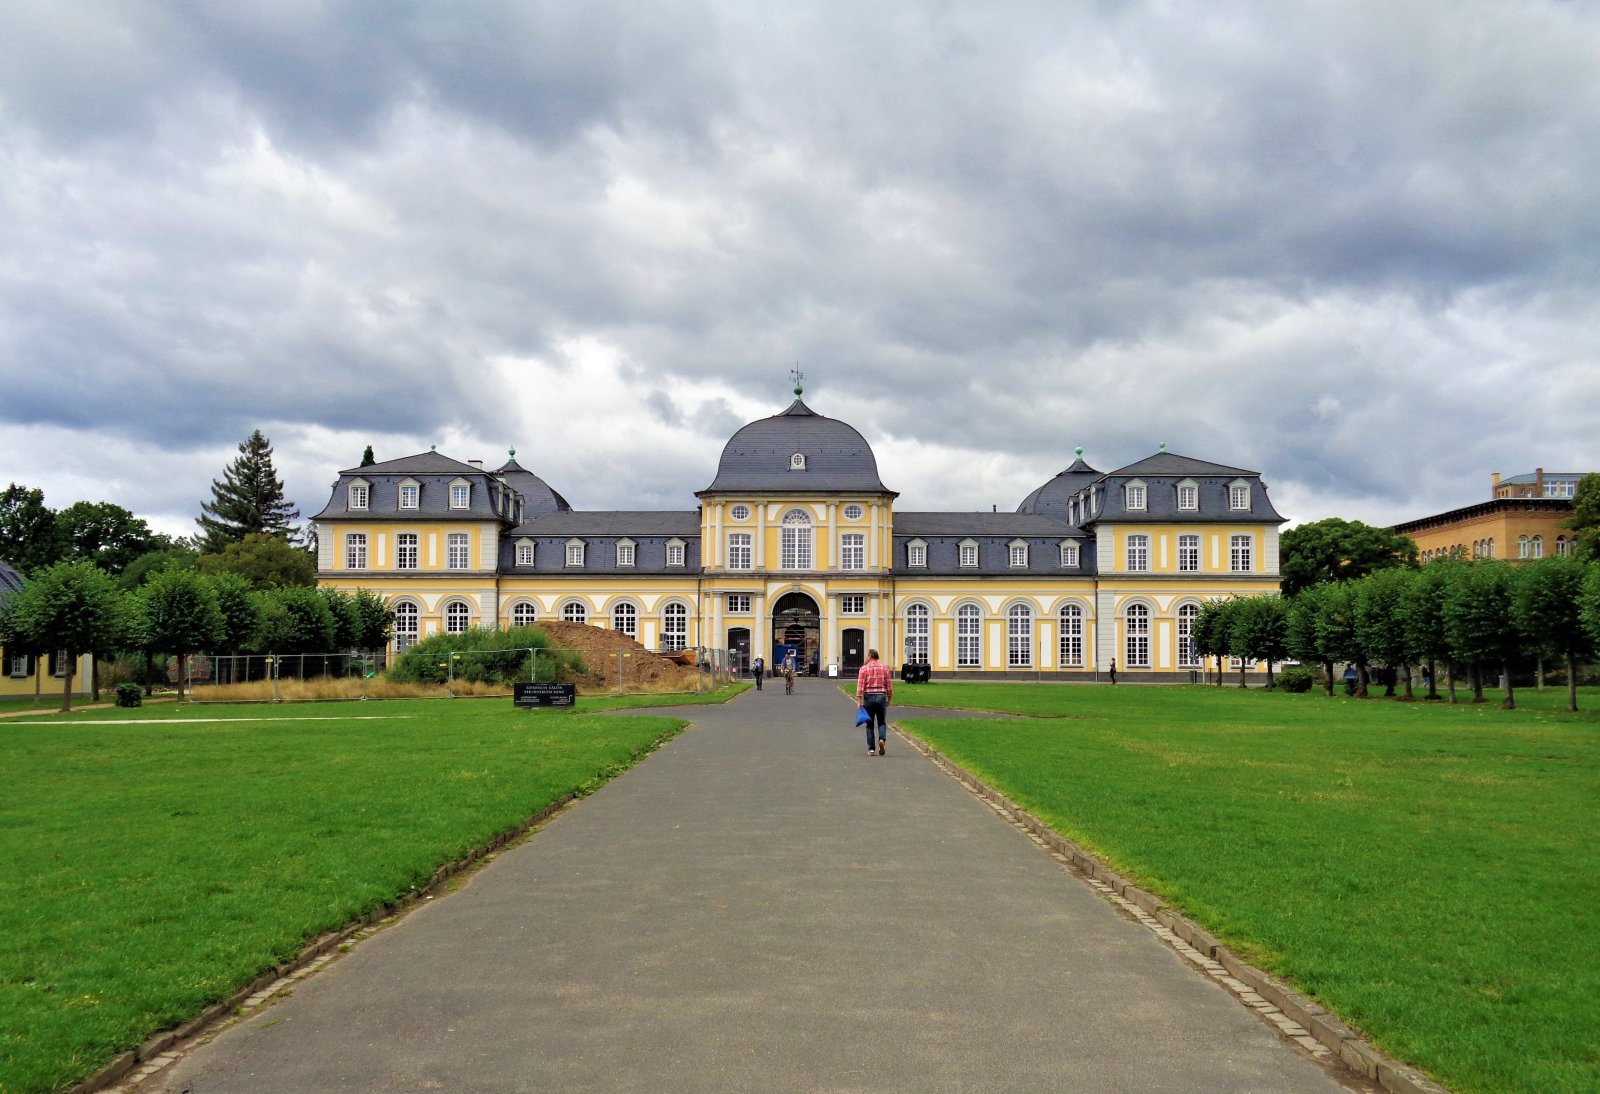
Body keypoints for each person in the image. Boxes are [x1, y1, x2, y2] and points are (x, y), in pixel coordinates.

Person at [856, 648, 893, 756]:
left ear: (871, 656)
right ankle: (882, 739)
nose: (866, 658)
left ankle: (871, 749)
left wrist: (859, 701)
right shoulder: (884, 668)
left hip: (868, 697)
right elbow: (889, 686)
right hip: (881, 696)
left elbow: (860, 686)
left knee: (869, 724)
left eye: (867, 656)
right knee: (881, 722)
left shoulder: (863, 669)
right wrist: (889, 700)